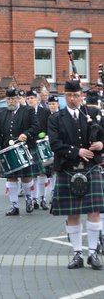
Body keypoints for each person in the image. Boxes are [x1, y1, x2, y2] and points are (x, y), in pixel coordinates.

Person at [48, 80, 104, 270]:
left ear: (82, 96)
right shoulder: (56, 118)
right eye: (70, 96)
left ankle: (93, 253)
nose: (73, 99)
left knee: (94, 211)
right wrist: (77, 151)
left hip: (90, 168)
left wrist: (101, 145)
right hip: (67, 168)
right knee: (73, 213)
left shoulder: (93, 114)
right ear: (65, 96)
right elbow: (54, 144)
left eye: (76, 95)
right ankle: (77, 254)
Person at [0, 88, 42, 216]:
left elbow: (36, 127)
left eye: (13, 99)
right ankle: (14, 206)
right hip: (7, 150)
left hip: (25, 148)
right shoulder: (1, 112)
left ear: (19, 99)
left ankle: (29, 199)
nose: (11, 101)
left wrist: (26, 134)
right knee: (10, 178)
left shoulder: (28, 111)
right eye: (9, 99)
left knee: (26, 177)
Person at [26, 89, 51, 210]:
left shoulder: (45, 111)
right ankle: (33, 199)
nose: (30, 100)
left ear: (37, 99)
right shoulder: (24, 112)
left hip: (42, 145)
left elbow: (50, 126)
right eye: (28, 98)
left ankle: (43, 199)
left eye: (32, 98)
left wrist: (47, 135)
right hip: (30, 145)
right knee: (32, 174)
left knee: (43, 173)